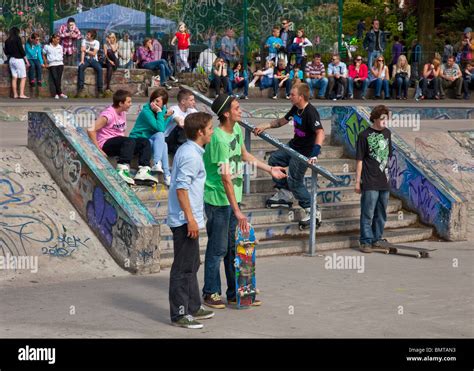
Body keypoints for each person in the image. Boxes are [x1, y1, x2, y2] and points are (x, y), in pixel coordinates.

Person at [201, 94, 286, 309]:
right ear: (227, 113)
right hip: (218, 200)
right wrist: (237, 210)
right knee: (218, 248)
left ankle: (234, 292)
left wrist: (270, 169)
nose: (241, 111)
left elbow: (245, 155)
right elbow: (225, 178)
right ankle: (210, 292)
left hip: (232, 200)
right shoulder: (218, 139)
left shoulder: (237, 130)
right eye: (237, 108)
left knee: (232, 248)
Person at [168, 112, 215, 329]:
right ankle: (180, 313)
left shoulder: (191, 151)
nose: (212, 132)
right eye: (210, 128)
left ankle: (194, 305)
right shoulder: (191, 155)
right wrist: (190, 220)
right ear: (200, 132)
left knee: (193, 263)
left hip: (190, 217)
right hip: (184, 220)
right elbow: (181, 189)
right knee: (183, 268)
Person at [254, 83, 325, 228]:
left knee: (295, 180)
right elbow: (281, 121)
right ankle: (285, 193)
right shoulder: (295, 108)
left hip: (304, 153)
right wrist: (265, 125)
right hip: (293, 146)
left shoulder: (311, 112)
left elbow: (320, 133)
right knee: (274, 159)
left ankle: (313, 211)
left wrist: (315, 154)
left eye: (292, 95)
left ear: (301, 97)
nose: (289, 97)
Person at [88, 90, 157, 186]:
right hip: (106, 143)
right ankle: (122, 170)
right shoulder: (108, 115)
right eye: (128, 102)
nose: (130, 104)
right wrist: (98, 149)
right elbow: (91, 130)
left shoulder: (123, 113)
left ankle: (143, 171)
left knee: (144, 142)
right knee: (129, 141)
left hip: (120, 143)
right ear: (121, 103)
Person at [355, 105, 392, 253]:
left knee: (381, 212)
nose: (385, 122)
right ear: (375, 118)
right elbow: (359, 160)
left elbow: (388, 156)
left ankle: (377, 238)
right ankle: (365, 241)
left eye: (386, 119)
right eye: (382, 119)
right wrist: (357, 182)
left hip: (384, 180)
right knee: (368, 212)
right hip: (370, 180)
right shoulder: (364, 135)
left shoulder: (387, 133)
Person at [129, 88, 173, 186]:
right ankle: (157, 163)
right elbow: (160, 129)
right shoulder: (146, 111)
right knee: (161, 135)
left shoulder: (162, 111)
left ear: (163, 103)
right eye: (153, 100)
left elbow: (162, 128)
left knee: (164, 144)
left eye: (157, 101)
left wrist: (165, 116)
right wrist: (160, 113)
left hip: (150, 140)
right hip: (138, 139)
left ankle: (167, 175)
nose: (154, 103)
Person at [165, 88, 198, 155]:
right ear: (183, 102)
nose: (194, 102)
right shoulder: (173, 109)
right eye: (191, 100)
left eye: (193, 100)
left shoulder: (191, 110)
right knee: (182, 127)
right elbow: (180, 123)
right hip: (168, 139)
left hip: (183, 138)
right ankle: (183, 149)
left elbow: (201, 121)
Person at [4, 27, 30, 99]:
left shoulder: (7, 41)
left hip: (11, 60)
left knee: (14, 78)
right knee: (23, 77)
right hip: (18, 59)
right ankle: (21, 94)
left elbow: (6, 52)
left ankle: (15, 94)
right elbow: (21, 50)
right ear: (17, 32)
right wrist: (27, 61)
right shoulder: (17, 39)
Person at [77, 29, 104, 98]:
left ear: (92, 36)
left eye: (88, 35)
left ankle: (100, 89)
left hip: (94, 59)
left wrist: (86, 50)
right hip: (86, 59)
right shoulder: (84, 41)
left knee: (100, 69)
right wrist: (82, 60)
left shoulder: (96, 42)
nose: (87, 35)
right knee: (81, 67)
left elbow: (94, 53)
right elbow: (82, 52)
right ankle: (80, 88)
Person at [43, 33, 67, 99]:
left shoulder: (60, 47)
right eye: (57, 39)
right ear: (53, 39)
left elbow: (62, 55)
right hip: (52, 64)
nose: (58, 41)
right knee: (55, 78)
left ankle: (57, 93)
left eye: (59, 39)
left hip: (60, 63)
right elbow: (43, 54)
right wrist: (46, 63)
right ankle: (60, 93)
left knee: (58, 79)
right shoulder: (47, 46)